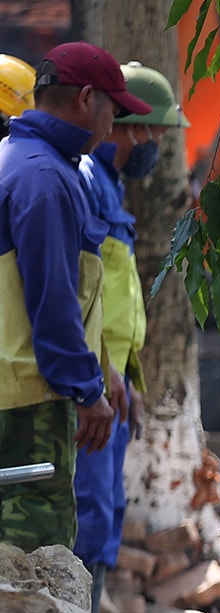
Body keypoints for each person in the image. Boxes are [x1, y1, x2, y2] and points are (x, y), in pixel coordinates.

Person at [0, 44, 147, 551]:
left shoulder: (21, 162)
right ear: (87, 99)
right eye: (115, 108)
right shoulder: (45, 177)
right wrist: (87, 389)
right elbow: (53, 298)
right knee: (36, 556)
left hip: (19, 389)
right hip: (27, 400)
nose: (115, 123)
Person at [74, 63, 180, 613]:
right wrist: (104, 371)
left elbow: (115, 302)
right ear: (128, 126)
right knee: (88, 506)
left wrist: (129, 378)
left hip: (113, 376)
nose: (155, 148)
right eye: (155, 136)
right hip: (91, 376)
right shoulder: (88, 181)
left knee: (108, 504)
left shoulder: (111, 185)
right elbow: (81, 291)